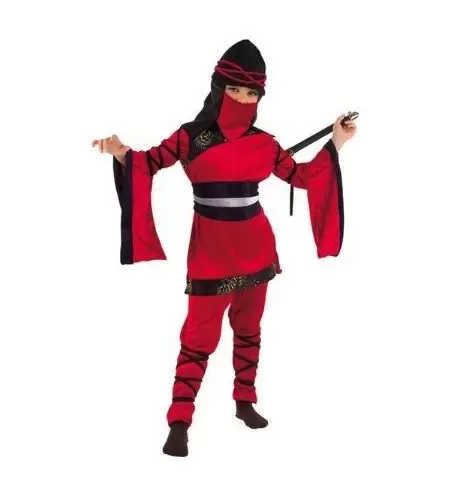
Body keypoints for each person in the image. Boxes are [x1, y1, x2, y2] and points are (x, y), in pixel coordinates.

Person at [92, 39, 357, 457]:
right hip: (210, 254)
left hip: (257, 250)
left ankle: (244, 402)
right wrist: (121, 152)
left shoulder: (265, 143)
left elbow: (304, 178)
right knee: (198, 337)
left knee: (249, 329)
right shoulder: (191, 137)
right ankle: (179, 422)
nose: (243, 99)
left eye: (252, 93)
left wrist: (336, 142)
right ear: (219, 88)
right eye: (235, 89)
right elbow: (149, 162)